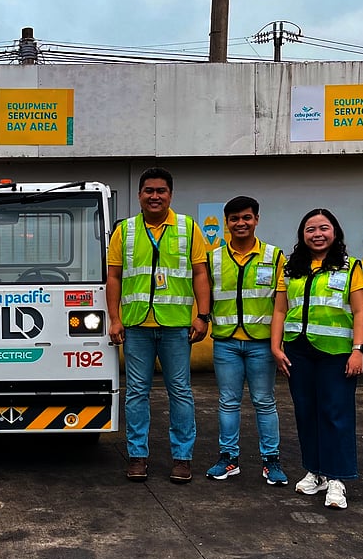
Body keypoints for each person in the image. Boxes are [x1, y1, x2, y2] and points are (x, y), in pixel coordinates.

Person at [106, 167, 211, 483]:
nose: (155, 196)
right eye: (149, 190)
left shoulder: (188, 228)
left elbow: (200, 274)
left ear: (170, 195)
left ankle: (182, 458)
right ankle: (137, 456)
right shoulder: (123, 231)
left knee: (180, 391)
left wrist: (202, 316)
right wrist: (115, 319)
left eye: (161, 191)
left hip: (176, 326)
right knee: (136, 392)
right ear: (139, 195)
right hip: (136, 325)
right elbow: (113, 277)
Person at [270, 209, 363, 510]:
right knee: (306, 412)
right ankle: (315, 471)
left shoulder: (351, 267)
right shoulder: (290, 268)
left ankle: (337, 479)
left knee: (335, 414)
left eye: (324, 228)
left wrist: (358, 349)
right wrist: (276, 347)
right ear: (302, 234)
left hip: (336, 353)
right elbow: (280, 311)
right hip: (299, 351)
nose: (317, 234)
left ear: (335, 232)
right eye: (310, 229)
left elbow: (361, 311)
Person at [205, 196, 288, 485]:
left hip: (261, 344)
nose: (241, 223)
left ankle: (271, 461)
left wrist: (277, 345)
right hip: (226, 342)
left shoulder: (275, 257)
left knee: (265, 402)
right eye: (235, 219)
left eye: (247, 217)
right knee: (228, 402)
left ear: (257, 220)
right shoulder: (213, 258)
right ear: (226, 223)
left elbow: (281, 305)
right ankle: (228, 459)